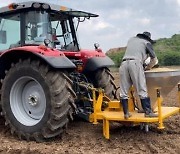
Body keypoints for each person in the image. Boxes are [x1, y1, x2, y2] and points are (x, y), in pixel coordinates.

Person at [119, 31, 158, 119]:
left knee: (124, 90)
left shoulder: (131, 40)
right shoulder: (146, 43)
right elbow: (154, 59)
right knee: (141, 88)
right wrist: (148, 67)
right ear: (148, 38)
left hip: (124, 64)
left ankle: (126, 113)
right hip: (135, 63)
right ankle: (148, 111)